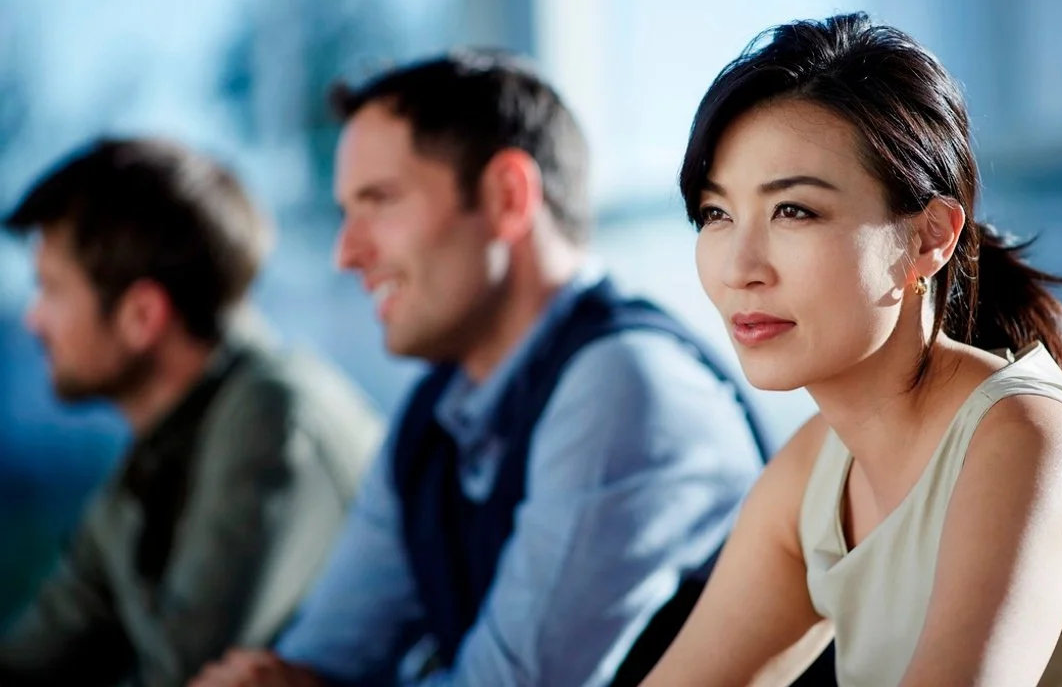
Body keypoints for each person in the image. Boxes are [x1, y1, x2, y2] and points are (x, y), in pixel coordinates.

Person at [641, 13, 1062, 686]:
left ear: (928, 239)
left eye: (793, 211)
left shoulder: (1028, 442)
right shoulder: (814, 475)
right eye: (716, 214)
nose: (740, 266)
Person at [190, 50, 768, 687]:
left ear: (506, 197)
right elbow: (320, 658)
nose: (346, 253)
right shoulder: (432, 414)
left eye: (378, 201)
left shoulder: (625, 385)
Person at [0, 138, 386, 686]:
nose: (33, 320)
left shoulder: (271, 415)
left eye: (52, 289)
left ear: (142, 315)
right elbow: (50, 642)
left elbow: (186, 674)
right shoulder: (158, 451)